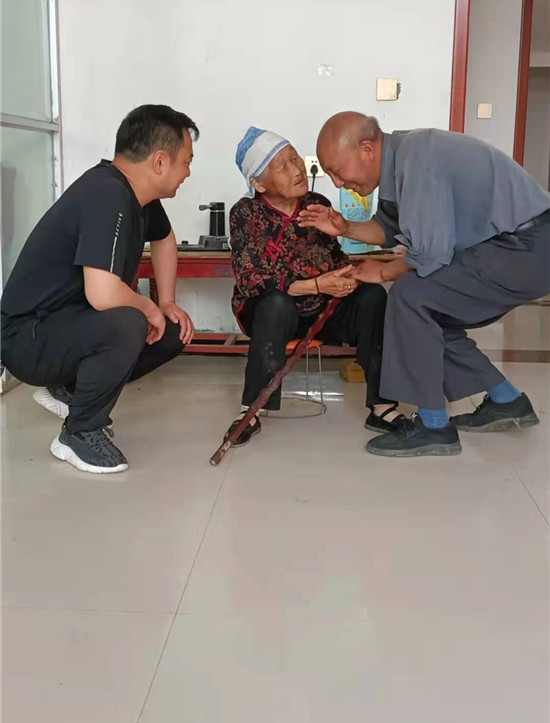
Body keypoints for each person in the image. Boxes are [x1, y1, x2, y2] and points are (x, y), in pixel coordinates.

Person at [299, 112, 550, 459]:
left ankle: (433, 426)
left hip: (526, 245)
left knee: (411, 296)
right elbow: (388, 229)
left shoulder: (419, 157)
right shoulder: (401, 160)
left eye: (337, 171)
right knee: (429, 314)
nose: (338, 184)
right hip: (515, 247)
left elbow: (430, 253)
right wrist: (344, 228)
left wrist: (383, 273)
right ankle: (506, 399)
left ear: (367, 150)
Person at [1, 105, 198, 474]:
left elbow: (164, 239)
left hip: (67, 324)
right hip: (27, 337)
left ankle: (71, 391)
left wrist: (167, 302)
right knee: (130, 322)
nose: (188, 171)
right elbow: (103, 294)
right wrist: (150, 308)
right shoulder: (106, 194)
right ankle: (79, 432)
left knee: (172, 329)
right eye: (186, 161)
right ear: (160, 161)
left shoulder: (137, 196)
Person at [225, 126, 402, 446]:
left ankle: (382, 406)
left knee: (373, 296)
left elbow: (333, 257)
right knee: (275, 302)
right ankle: (250, 411)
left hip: (322, 308)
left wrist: (346, 277)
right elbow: (252, 279)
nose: (296, 169)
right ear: (259, 183)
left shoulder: (316, 203)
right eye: (282, 165)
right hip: (273, 314)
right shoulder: (246, 213)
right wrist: (318, 284)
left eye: (295, 158)